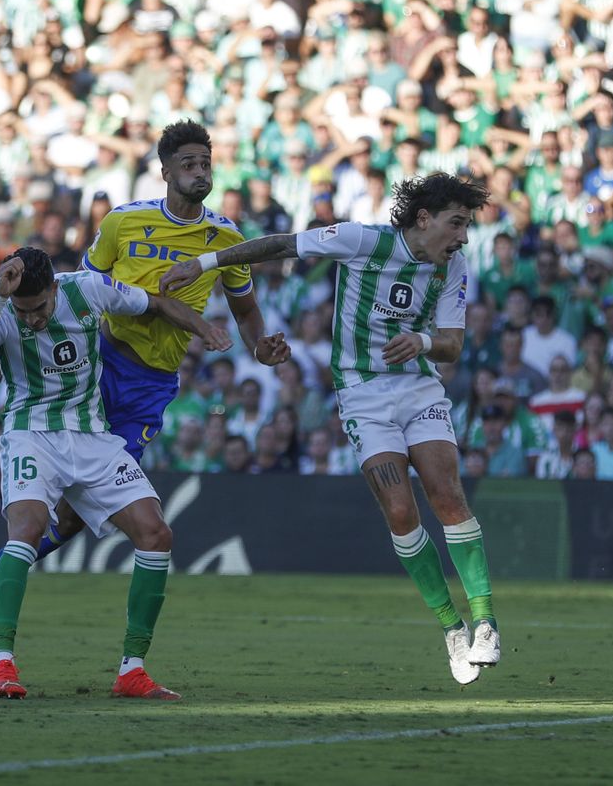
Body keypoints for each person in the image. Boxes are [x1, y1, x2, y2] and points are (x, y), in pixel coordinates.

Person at [0, 246, 232, 699]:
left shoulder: (88, 288)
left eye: (40, 308)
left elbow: (155, 302)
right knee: (26, 529)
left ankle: (132, 670)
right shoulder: (6, 310)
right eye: (24, 311)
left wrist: (203, 326)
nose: (32, 320)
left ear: (55, 287)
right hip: (32, 433)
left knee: (156, 534)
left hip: (92, 436)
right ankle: (0, 664)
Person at [160, 173, 500, 684]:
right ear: (425, 218)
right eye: (457, 223)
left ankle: (486, 621)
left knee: (447, 497)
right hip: (362, 394)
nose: (463, 237)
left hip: (418, 388)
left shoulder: (454, 266)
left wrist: (423, 343)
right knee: (401, 511)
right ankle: (451, 628)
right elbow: (280, 244)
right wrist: (203, 262)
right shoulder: (361, 240)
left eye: (467, 227)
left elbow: (452, 343)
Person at [0, 120, 292, 604]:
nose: (199, 172)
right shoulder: (122, 222)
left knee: (76, 514)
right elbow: (68, 299)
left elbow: (246, 311)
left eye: (205, 163)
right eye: (188, 164)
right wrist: (12, 354)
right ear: (165, 171)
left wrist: (259, 347)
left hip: (151, 386)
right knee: (14, 480)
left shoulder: (226, 239)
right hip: (94, 368)